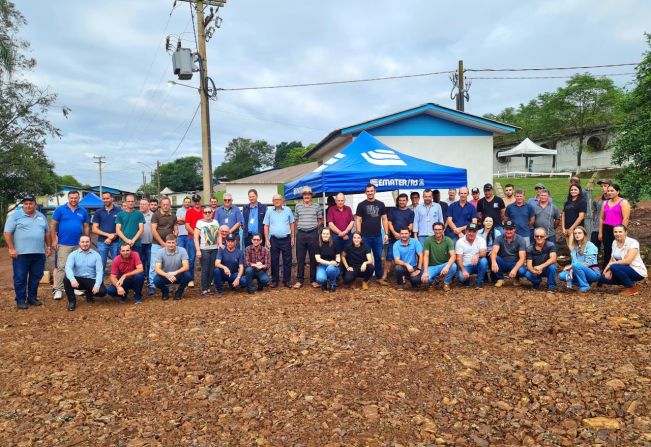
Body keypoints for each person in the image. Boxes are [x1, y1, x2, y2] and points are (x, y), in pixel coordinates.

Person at [3, 194, 52, 309]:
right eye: (26, 203)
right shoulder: (15, 216)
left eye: (31, 203)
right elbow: (7, 233)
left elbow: (47, 232)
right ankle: (20, 300)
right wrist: (11, 248)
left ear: (35, 204)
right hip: (21, 254)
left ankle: (32, 297)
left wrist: (49, 246)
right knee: (20, 277)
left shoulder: (41, 216)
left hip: (39, 253)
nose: (28, 205)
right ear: (23, 204)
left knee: (36, 276)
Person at [50, 190, 90, 300]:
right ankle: (58, 289)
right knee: (61, 266)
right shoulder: (60, 209)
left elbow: (86, 226)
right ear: (68, 198)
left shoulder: (83, 211)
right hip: (64, 244)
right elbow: (53, 225)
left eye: (76, 198)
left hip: (78, 244)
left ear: (79, 198)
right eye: (71, 198)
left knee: (77, 266)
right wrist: (54, 240)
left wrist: (86, 240)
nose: (73, 200)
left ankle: (75, 287)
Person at [599, 224, 647, 296]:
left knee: (614, 267)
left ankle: (631, 288)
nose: (617, 234)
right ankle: (628, 282)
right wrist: (606, 270)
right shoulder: (614, 242)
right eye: (615, 232)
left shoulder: (633, 243)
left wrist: (611, 265)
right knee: (602, 278)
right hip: (623, 268)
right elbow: (612, 259)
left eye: (620, 231)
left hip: (636, 270)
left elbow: (628, 261)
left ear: (626, 232)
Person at [355, 183, 389, 283]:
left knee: (378, 257)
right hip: (365, 237)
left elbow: (384, 219)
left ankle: (378, 277)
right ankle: (365, 278)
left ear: (375, 191)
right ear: (365, 192)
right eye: (368, 191)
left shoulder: (381, 204)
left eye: (371, 191)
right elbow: (358, 220)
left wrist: (386, 233)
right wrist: (359, 235)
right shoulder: (361, 205)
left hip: (378, 236)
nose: (370, 193)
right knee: (364, 257)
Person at [63, 235, 106, 311]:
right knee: (66, 279)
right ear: (79, 243)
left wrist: (97, 285)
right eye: (82, 242)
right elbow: (68, 268)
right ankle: (72, 301)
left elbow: (99, 272)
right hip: (78, 280)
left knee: (102, 292)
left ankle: (89, 293)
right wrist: (72, 279)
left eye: (87, 242)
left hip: (91, 279)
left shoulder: (96, 255)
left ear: (90, 243)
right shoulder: (73, 254)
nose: (85, 244)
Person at [264, 194, 295, 288]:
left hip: (286, 239)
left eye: (278, 199)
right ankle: (275, 281)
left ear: (282, 201)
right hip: (274, 239)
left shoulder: (288, 210)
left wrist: (293, 237)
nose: (276, 201)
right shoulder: (269, 211)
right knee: (274, 261)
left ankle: (287, 281)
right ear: (272, 201)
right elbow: (266, 226)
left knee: (287, 261)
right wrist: (266, 240)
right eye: (274, 200)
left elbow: (292, 223)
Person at [293, 186, 322, 289]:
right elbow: (296, 220)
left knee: (313, 258)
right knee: (300, 258)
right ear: (302, 196)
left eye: (308, 194)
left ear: (311, 196)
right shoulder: (297, 206)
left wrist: (313, 227)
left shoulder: (317, 206)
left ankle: (313, 280)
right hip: (301, 234)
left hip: (313, 234)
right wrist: (302, 227)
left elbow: (320, 220)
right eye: (305, 194)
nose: (306, 196)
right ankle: (300, 280)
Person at [598, 184, 631, 270]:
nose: (609, 192)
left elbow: (626, 218)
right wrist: (600, 232)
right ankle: (606, 271)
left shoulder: (624, 202)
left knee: (619, 250)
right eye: (608, 191)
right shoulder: (605, 203)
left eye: (612, 191)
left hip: (618, 229)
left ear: (618, 192)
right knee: (607, 251)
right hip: (606, 229)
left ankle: (620, 271)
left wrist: (622, 232)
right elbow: (601, 218)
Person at [149, 197, 177, 296]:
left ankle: (166, 285)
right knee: (154, 265)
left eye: (167, 204)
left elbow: (175, 228)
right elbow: (153, 230)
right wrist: (162, 243)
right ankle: (151, 286)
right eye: (164, 204)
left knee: (166, 266)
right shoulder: (155, 215)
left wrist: (175, 234)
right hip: (157, 244)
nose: (165, 206)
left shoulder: (173, 216)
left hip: (168, 245)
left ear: (170, 205)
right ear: (161, 205)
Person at [559, 226, 600, 293]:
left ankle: (585, 286)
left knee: (575, 265)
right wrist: (572, 268)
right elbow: (570, 246)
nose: (577, 235)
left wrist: (572, 266)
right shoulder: (575, 248)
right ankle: (584, 282)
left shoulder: (590, 245)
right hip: (578, 270)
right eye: (575, 233)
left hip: (593, 272)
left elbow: (588, 263)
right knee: (561, 275)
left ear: (584, 234)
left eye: (579, 233)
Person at [153, 234, 192, 301]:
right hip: (165, 275)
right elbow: (157, 269)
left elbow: (186, 266)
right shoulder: (160, 252)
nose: (171, 245)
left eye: (173, 242)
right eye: (169, 243)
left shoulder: (182, 250)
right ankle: (165, 291)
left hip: (178, 275)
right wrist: (166, 275)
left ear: (176, 243)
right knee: (156, 280)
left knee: (188, 276)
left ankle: (179, 292)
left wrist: (175, 272)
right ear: (166, 243)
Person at [385, 193, 414, 281]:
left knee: (403, 257)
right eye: (400, 200)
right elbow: (389, 223)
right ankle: (385, 275)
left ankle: (403, 275)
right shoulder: (393, 211)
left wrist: (402, 236)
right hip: (393, 238)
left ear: (407, 201)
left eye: (403, 200)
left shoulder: (411, 212)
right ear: (398, 201)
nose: (402, 202)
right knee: (389, 256)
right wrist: (394, 233)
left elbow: (411, 225)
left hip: (405, 239)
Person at [490, 220, 527, 287]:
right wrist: (493, 262)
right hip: (503, 261)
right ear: (504, 229)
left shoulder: (520, 239)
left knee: (522, 271)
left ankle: (517, 278)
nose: (508, 231)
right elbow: (494, 251)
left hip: (514, 262)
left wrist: (515, 269)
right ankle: (500, 279)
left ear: (514, 229)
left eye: (511, 229)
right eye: (507, 229)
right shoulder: (499, 238)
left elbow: (522, 258)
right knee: (493, 257)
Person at [92, 192, 120, 277]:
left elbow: (121, 228)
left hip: (116, 242)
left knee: (116, 263)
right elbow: (94, 229)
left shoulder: (119, 211)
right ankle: (100, 284)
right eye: (103, 199)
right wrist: (108, 235)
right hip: (102, 242)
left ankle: (116, 284)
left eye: (107, 198)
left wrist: (112, 237)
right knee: (101, 264)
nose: (105, 200)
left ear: (112, 198)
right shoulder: (98, 212)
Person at [422, 222, 457, 291]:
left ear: (443, 230)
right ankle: (433, 283)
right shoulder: (428, 240)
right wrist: (425, 271)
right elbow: (426, 256)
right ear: (433, 230)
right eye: (436, 229)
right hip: (432, 266)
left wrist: (447, 267)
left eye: (440, 229)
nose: (438, 231)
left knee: (453, 266)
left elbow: (453, 256)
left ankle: (446, 283)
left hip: (444, 265)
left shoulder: (448, 240)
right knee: (424, 279)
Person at [194, 206, 220, 296]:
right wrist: (198, 250)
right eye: (206, 212)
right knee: (205, 269)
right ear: (203, 213)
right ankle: (204, 289)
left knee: (212, 268)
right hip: (204, 249)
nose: (208, 214)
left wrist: (220, 244)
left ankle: (208, 287)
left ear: (212, 213)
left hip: (214, 248)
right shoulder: (199, 223)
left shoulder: (215, 222)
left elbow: (219, 235)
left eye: (209, 212)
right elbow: (196, 237)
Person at [524, 228, 558, 292]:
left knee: (552, 267)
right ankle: (536, 283)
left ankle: (551, 286)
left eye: (541, 236)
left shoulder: (550, 245)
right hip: (535, 269)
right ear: (534, 237)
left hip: (546, 268)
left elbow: (553, 259)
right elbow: (529, 264)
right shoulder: (530, 248)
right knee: (527, 274)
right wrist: (533, 271)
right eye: (537, 236)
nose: (539, 238)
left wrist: (541, 266)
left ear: (545, 237)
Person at [455, 223, 488, 289]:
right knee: (462, 278)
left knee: (484, 261)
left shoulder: (481, 239)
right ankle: (467, 279)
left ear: (477, 232)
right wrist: (463, 270)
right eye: (469, 231)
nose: (471, 233)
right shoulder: (460, 242)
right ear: (466, 231)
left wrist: (477, 255)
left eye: (474, 231)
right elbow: (459, 258)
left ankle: (479, 281)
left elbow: (484, 253)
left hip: (477, 264)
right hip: (466, 265)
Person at [183, 194, 204, 287]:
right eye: (195, 201)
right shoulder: (189, 212)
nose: (197, 202)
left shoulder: (204, 211)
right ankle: (190, 279)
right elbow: (187, 225)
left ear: (200, 201)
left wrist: (201, 235)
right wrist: (195, 234)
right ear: (193, 202)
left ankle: (207, 279)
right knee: (191, 259)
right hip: (192, 237)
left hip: (203, 238)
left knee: (205, 258)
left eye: (198, 200)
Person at [315, 227, 341, 292]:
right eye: (324, 233)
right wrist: (329, 263)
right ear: (321, 234)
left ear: (330, 235)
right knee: (320, 278)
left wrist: (337, 262)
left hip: (333, 266)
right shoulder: (317, 244)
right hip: (322, 265)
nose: (325, 235)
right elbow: (318, 259)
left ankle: (332, 283)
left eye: (327, 234)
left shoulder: (335, 243)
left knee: (330, 269)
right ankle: (324, 283)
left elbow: (338, 256)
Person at [590, 178, 611, 251]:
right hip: (597, 227)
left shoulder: (615, 199)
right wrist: (595, 221)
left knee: (608, 249)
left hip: (609, 227)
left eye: (605, 186)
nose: (603, 188)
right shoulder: (597, 199)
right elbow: (594, 212)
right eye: (601, 186)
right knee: (593, 248)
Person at [139, 198, 154, 283]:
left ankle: (149, 279)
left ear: (148, 206)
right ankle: (141, 279)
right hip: (139, 243)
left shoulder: (153, 215)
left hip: (150, 243)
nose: (142, 205)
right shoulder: (137, 214)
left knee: (149, 262)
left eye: (144, 204)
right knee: (140, 262)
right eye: (141, 204)